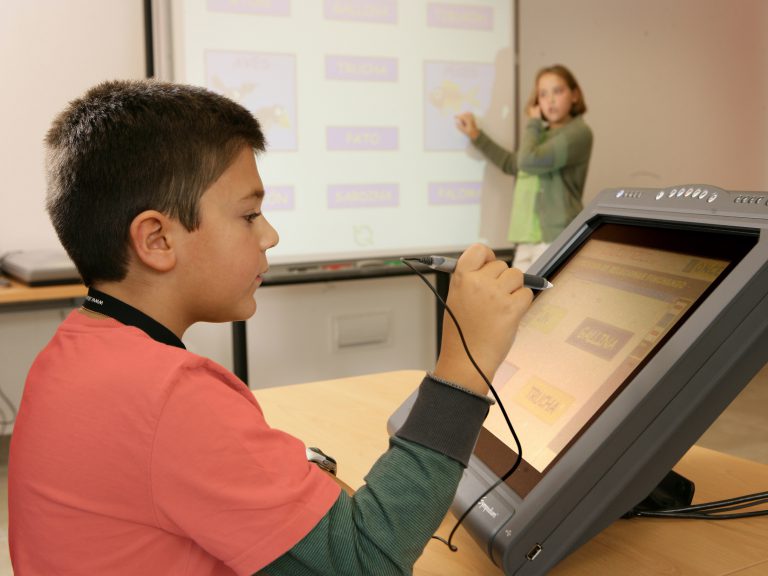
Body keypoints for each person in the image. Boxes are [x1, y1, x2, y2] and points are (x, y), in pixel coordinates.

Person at [8, 79, 533, 575]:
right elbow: (366, 560)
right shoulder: (170, 395)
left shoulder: (73, 351)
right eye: (248, 215)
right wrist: (463, 369)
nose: (270, 235)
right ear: (157, 240)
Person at [456, 64, 593, 271]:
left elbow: (528, 160)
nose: (550, 100)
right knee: (520, 301)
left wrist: (533, 123)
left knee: (540, 301)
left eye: (558, 91)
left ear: (574, 95)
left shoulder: (579, 132)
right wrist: (476, 136)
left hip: (556, 237)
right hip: (527, 237)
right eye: (543, 94)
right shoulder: (540, 136)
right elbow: (514, 164)